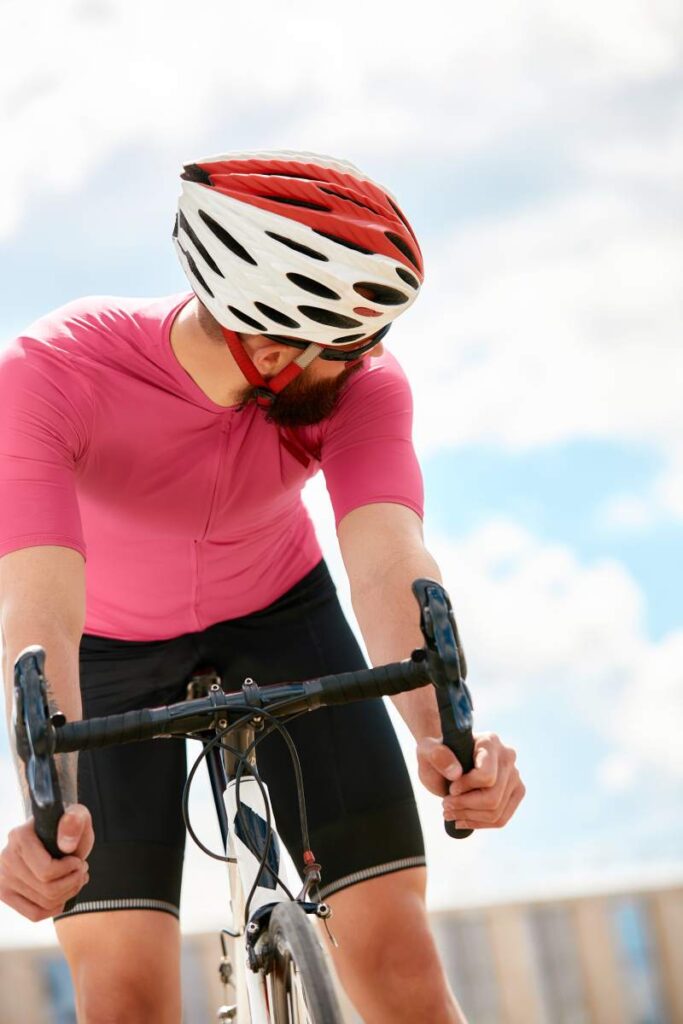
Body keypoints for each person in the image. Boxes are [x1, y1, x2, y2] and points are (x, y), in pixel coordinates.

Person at [0, 152, 525, 1023]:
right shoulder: (50, 375)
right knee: (122, 995)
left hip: (286, 616)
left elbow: (388, 559)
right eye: (356, 342)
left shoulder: (358, 388)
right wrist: (47, 800)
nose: (374, 360)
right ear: (274, 347)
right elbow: (39, 604)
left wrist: (449, 737)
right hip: (109, 650)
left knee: (399, 963)